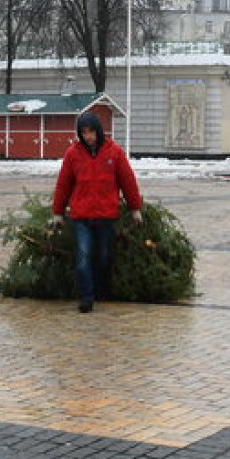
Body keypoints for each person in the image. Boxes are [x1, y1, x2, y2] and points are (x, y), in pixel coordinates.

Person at [50, 111, 143, 313]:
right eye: (84, 132)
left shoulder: (114, 152)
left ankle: (101, 289)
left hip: (106, 216)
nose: (88, 136)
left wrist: (135, 208)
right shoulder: (72, 154)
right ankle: (86, 298)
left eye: (91, 131)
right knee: (83, 257)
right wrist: (57, 212)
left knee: (103, 257)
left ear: (98, 131)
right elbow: (63, 184)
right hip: (81, 217)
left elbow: (128, 181)